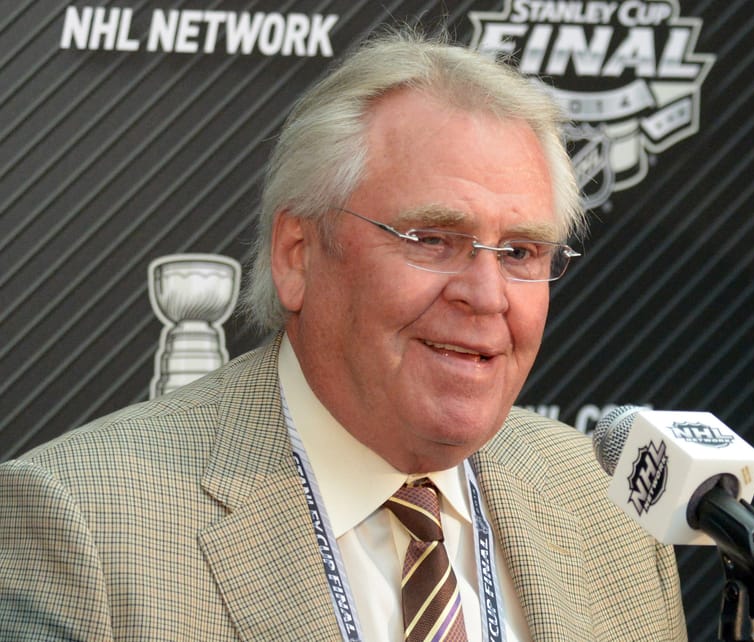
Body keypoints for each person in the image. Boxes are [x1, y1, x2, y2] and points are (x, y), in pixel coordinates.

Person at [0, 31, 687, 641]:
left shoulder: (609, 507)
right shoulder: (82, 527)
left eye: (521, 254)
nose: (485, 296)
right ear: (298, 254)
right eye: (432, 239)